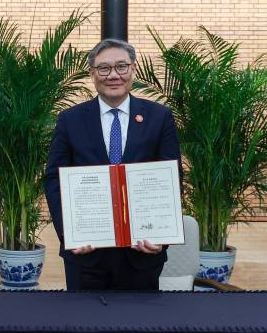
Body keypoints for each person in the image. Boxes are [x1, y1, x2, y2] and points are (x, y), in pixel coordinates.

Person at [44, 39, 182, 291]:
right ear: (92, 73)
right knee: (83, 316)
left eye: (121, 66)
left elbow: (172, 179)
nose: (113, 75)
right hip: (86, 254)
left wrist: (162, 237)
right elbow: (54, 179)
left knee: (139, 316)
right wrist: (69, 233)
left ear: (133, 69)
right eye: (104, 68)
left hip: (142, 252)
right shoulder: (70, 120)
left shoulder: (159, 117)